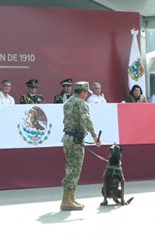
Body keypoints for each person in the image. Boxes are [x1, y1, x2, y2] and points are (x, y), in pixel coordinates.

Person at [61, 81, 101, 211]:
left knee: (71, 167)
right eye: (86, 93)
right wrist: (95, 136)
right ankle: (67, 200)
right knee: (75, 169)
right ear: (83, 92)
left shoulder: (68, 102)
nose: (86, 95)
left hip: (67, 137)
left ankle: (70, 198)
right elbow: (86, 119)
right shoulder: (82, 103)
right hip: (76, 139)